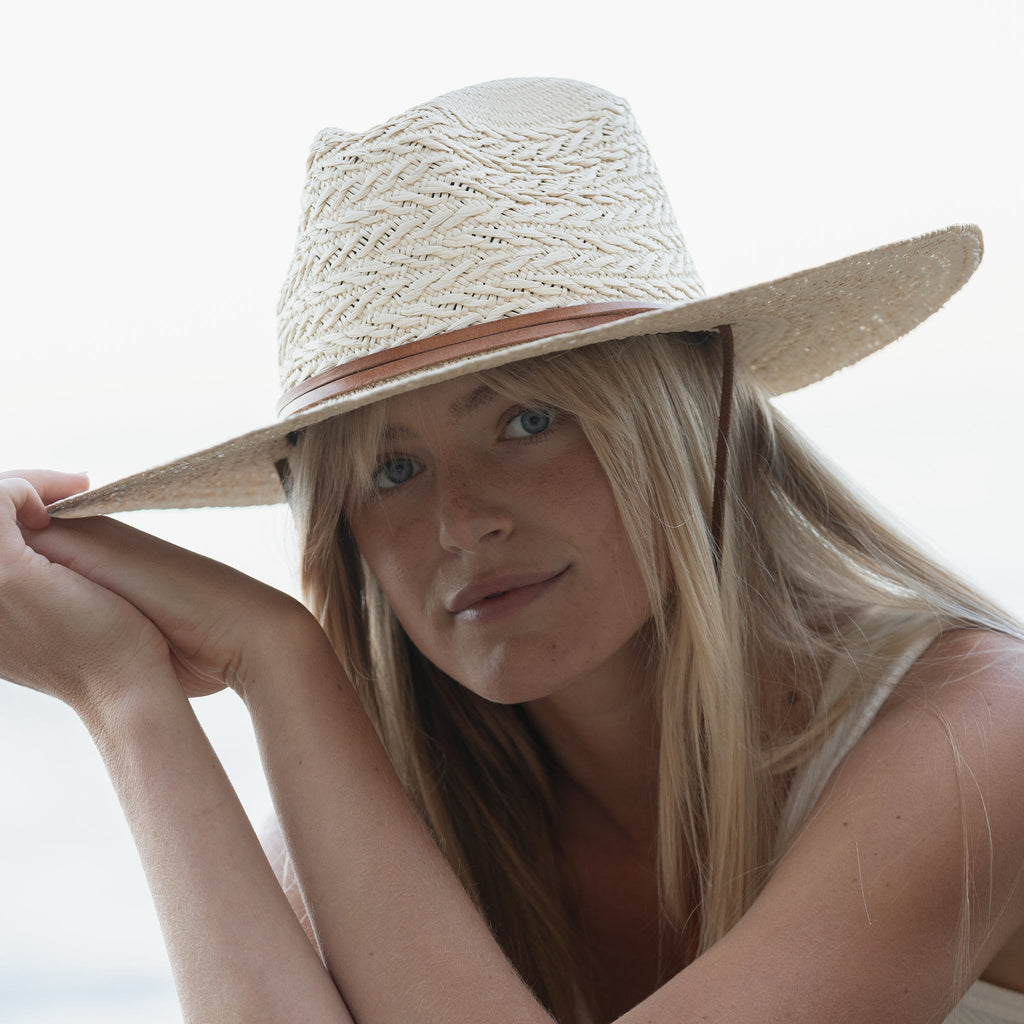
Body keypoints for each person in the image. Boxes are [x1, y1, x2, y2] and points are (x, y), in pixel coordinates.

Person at [2, 77, 1023, 1024]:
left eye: (528, 422)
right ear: (339, 532)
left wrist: (282, 662)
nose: (461, 525)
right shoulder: (370, 844)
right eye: (393, 472)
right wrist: (126, 698)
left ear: (698, 410)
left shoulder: (980, 731)